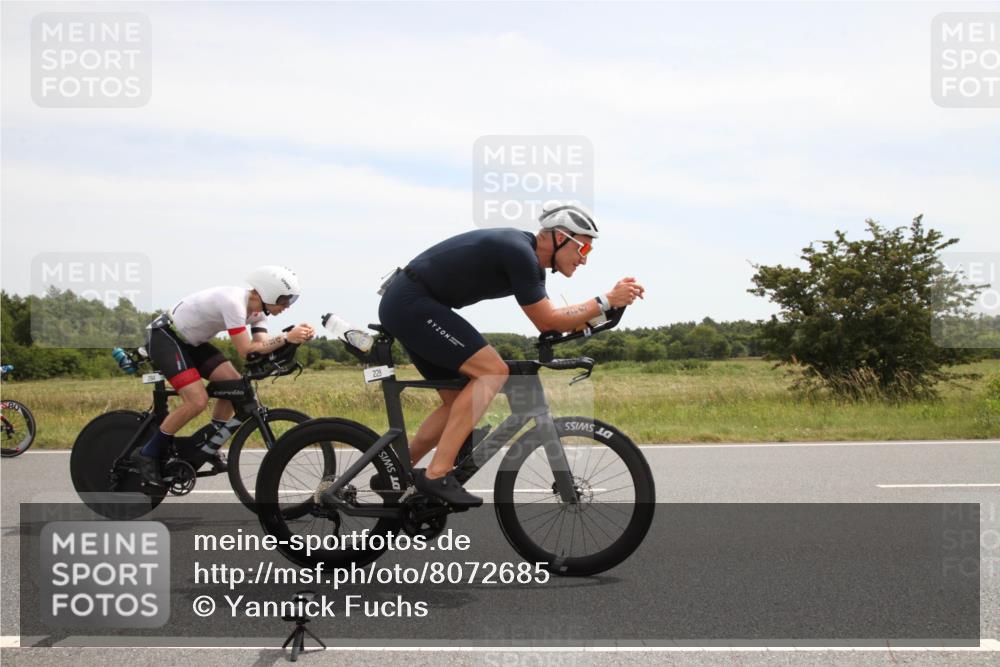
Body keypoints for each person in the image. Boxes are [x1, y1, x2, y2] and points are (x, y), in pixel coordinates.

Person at [378, 201, 644, 506]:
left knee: (458, 402)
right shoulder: (519, 252)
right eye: (583, 250)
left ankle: (395, 472)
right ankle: (437, 475)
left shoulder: (530, 264)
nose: (584, 260)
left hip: (410, 303)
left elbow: (552, 324)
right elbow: (549, 320)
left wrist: (608, 308)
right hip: (412, 303)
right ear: (558, 237)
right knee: (493, 371)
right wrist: (605, 299)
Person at [131, 266, 315, 485]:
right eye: (285, 300)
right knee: (197, 400)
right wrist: (286, 337)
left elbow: (259, 347)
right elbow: (245, 349)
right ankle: (147, 453)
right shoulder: (234, 303)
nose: (287, 306)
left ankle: (210, 444)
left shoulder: (258, 313)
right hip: (166, 337)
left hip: (192, 343)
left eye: (290, 301)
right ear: (267, 293)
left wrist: (295, 338)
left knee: (234, 385)